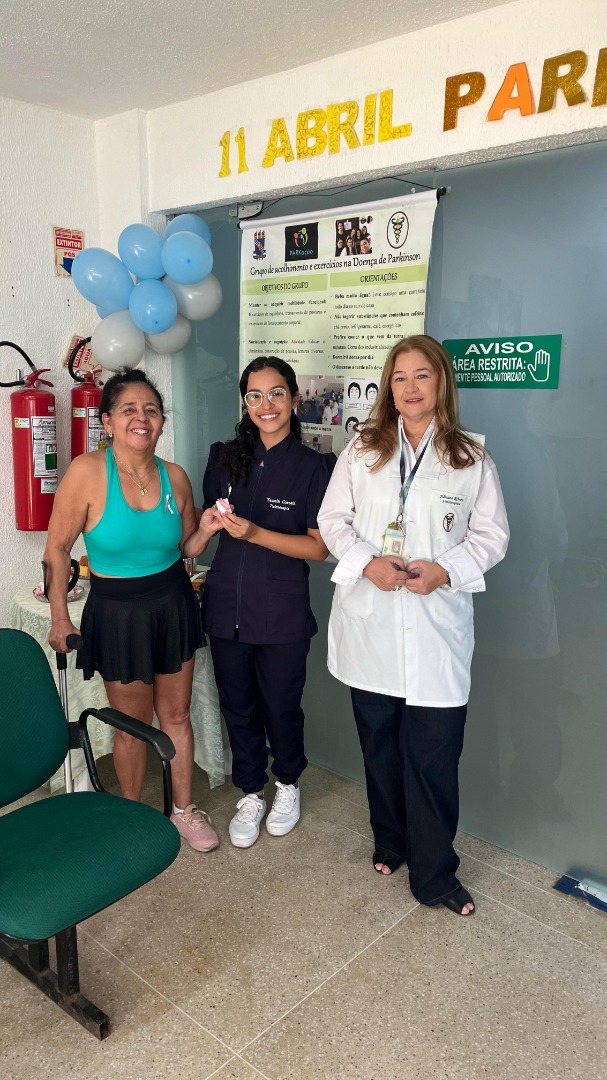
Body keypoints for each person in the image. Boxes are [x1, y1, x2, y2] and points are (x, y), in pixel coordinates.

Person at [317, 335, 509, 916]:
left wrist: (445, 571)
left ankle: (436, 874)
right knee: (379, 747)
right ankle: (391, 841)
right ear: (388, 387)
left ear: (441, 382)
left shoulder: (471, 458)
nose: (410, 387)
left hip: (434, 627)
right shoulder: (362, 450)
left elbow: (492, 536)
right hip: (371, 622)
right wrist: (366, 563)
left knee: (433, 756)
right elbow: (333, 520)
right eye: (399, 377)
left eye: (421, 375)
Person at [44, 368, 219, 853]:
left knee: (177, 715)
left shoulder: (174, 476)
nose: (142, 418)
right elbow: (57, 549)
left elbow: (186, 547)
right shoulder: (86, 473)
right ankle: (132, 816)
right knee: (132, 727)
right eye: (129, 410)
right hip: (118, 613)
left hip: (173, 604)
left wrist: (206, 529)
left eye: (151, 410)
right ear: (107, 421)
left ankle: (183, 810)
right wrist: (60, 617)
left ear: (161, 421)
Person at [185, 356, 335, 849]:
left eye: (276, 394)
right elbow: (203, 533)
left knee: (282, 706)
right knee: (238, 705)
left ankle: (287, 784)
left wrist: (255, 533)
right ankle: (250, 791)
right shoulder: (225, 458)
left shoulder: (314, 467)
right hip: (226, 606)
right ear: (245, 403)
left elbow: (318, 548)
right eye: (254, 395)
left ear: (294, 399)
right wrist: (208, 529)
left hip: (283, 612)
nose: (265, 405)